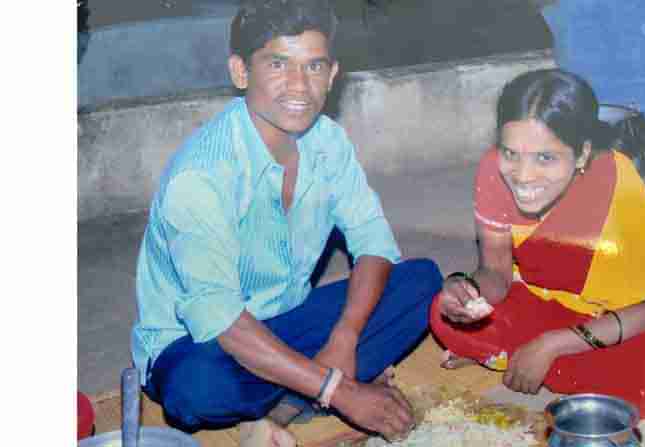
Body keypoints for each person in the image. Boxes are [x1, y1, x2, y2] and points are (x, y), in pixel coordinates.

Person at [130, 1, 442, 445]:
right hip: (204, 343)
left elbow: (372, 241)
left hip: (285, 320)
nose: (299, 85)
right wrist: (339, 390)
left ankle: (284, 405)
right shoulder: (200, 176)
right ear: (241, 72)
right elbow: (222, 321)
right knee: (195, 389)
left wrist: (345, 336)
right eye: (278, 64)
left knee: (421, 283)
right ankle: (310, 388)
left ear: (332, 75)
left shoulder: (328, 142)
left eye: (314, 66)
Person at [430, 69, 645, 419]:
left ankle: (525, 359)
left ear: (581, 154)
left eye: (545, 158)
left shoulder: (614, 185)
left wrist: (552, 345)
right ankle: (537, 361)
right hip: (540, 299)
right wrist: (466, 291)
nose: (523, 175)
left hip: (614, 318)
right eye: (511, 153)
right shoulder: (493, 172)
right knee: (442, 313)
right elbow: (497, 274)